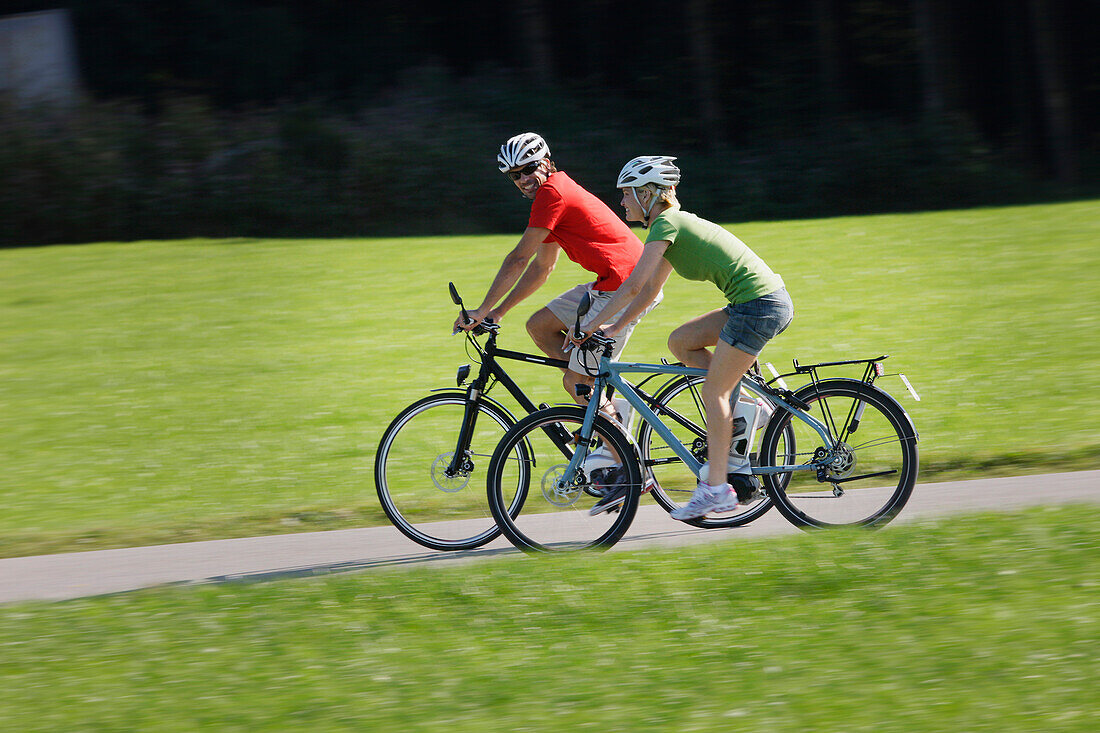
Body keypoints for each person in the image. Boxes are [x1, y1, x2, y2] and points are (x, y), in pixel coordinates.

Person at [579, 156, 793, 520]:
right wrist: (612, 329)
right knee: (681, 342)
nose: (622, 202)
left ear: (647, 194)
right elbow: (647, 291)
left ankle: (717, 490)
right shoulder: (669, 226)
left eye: (627, 194)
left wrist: (591, 324)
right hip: (753, 303)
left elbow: (631, 286)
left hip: (759, 306)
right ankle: (745, 408)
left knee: (714, 391)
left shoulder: (666, 223)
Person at [455, 133, 661, 419]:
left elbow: (518, 259)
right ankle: (599, 394)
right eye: (515, 175)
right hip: (612, 282)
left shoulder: (553, 193)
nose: (523, 178)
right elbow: (542, 268)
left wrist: (481, 309)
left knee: (575, 382)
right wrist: (498, 313)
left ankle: (617, 453)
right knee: (540, 326)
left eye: (529, 168)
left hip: (626, 286)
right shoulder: (550, 195)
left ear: (547, 163)